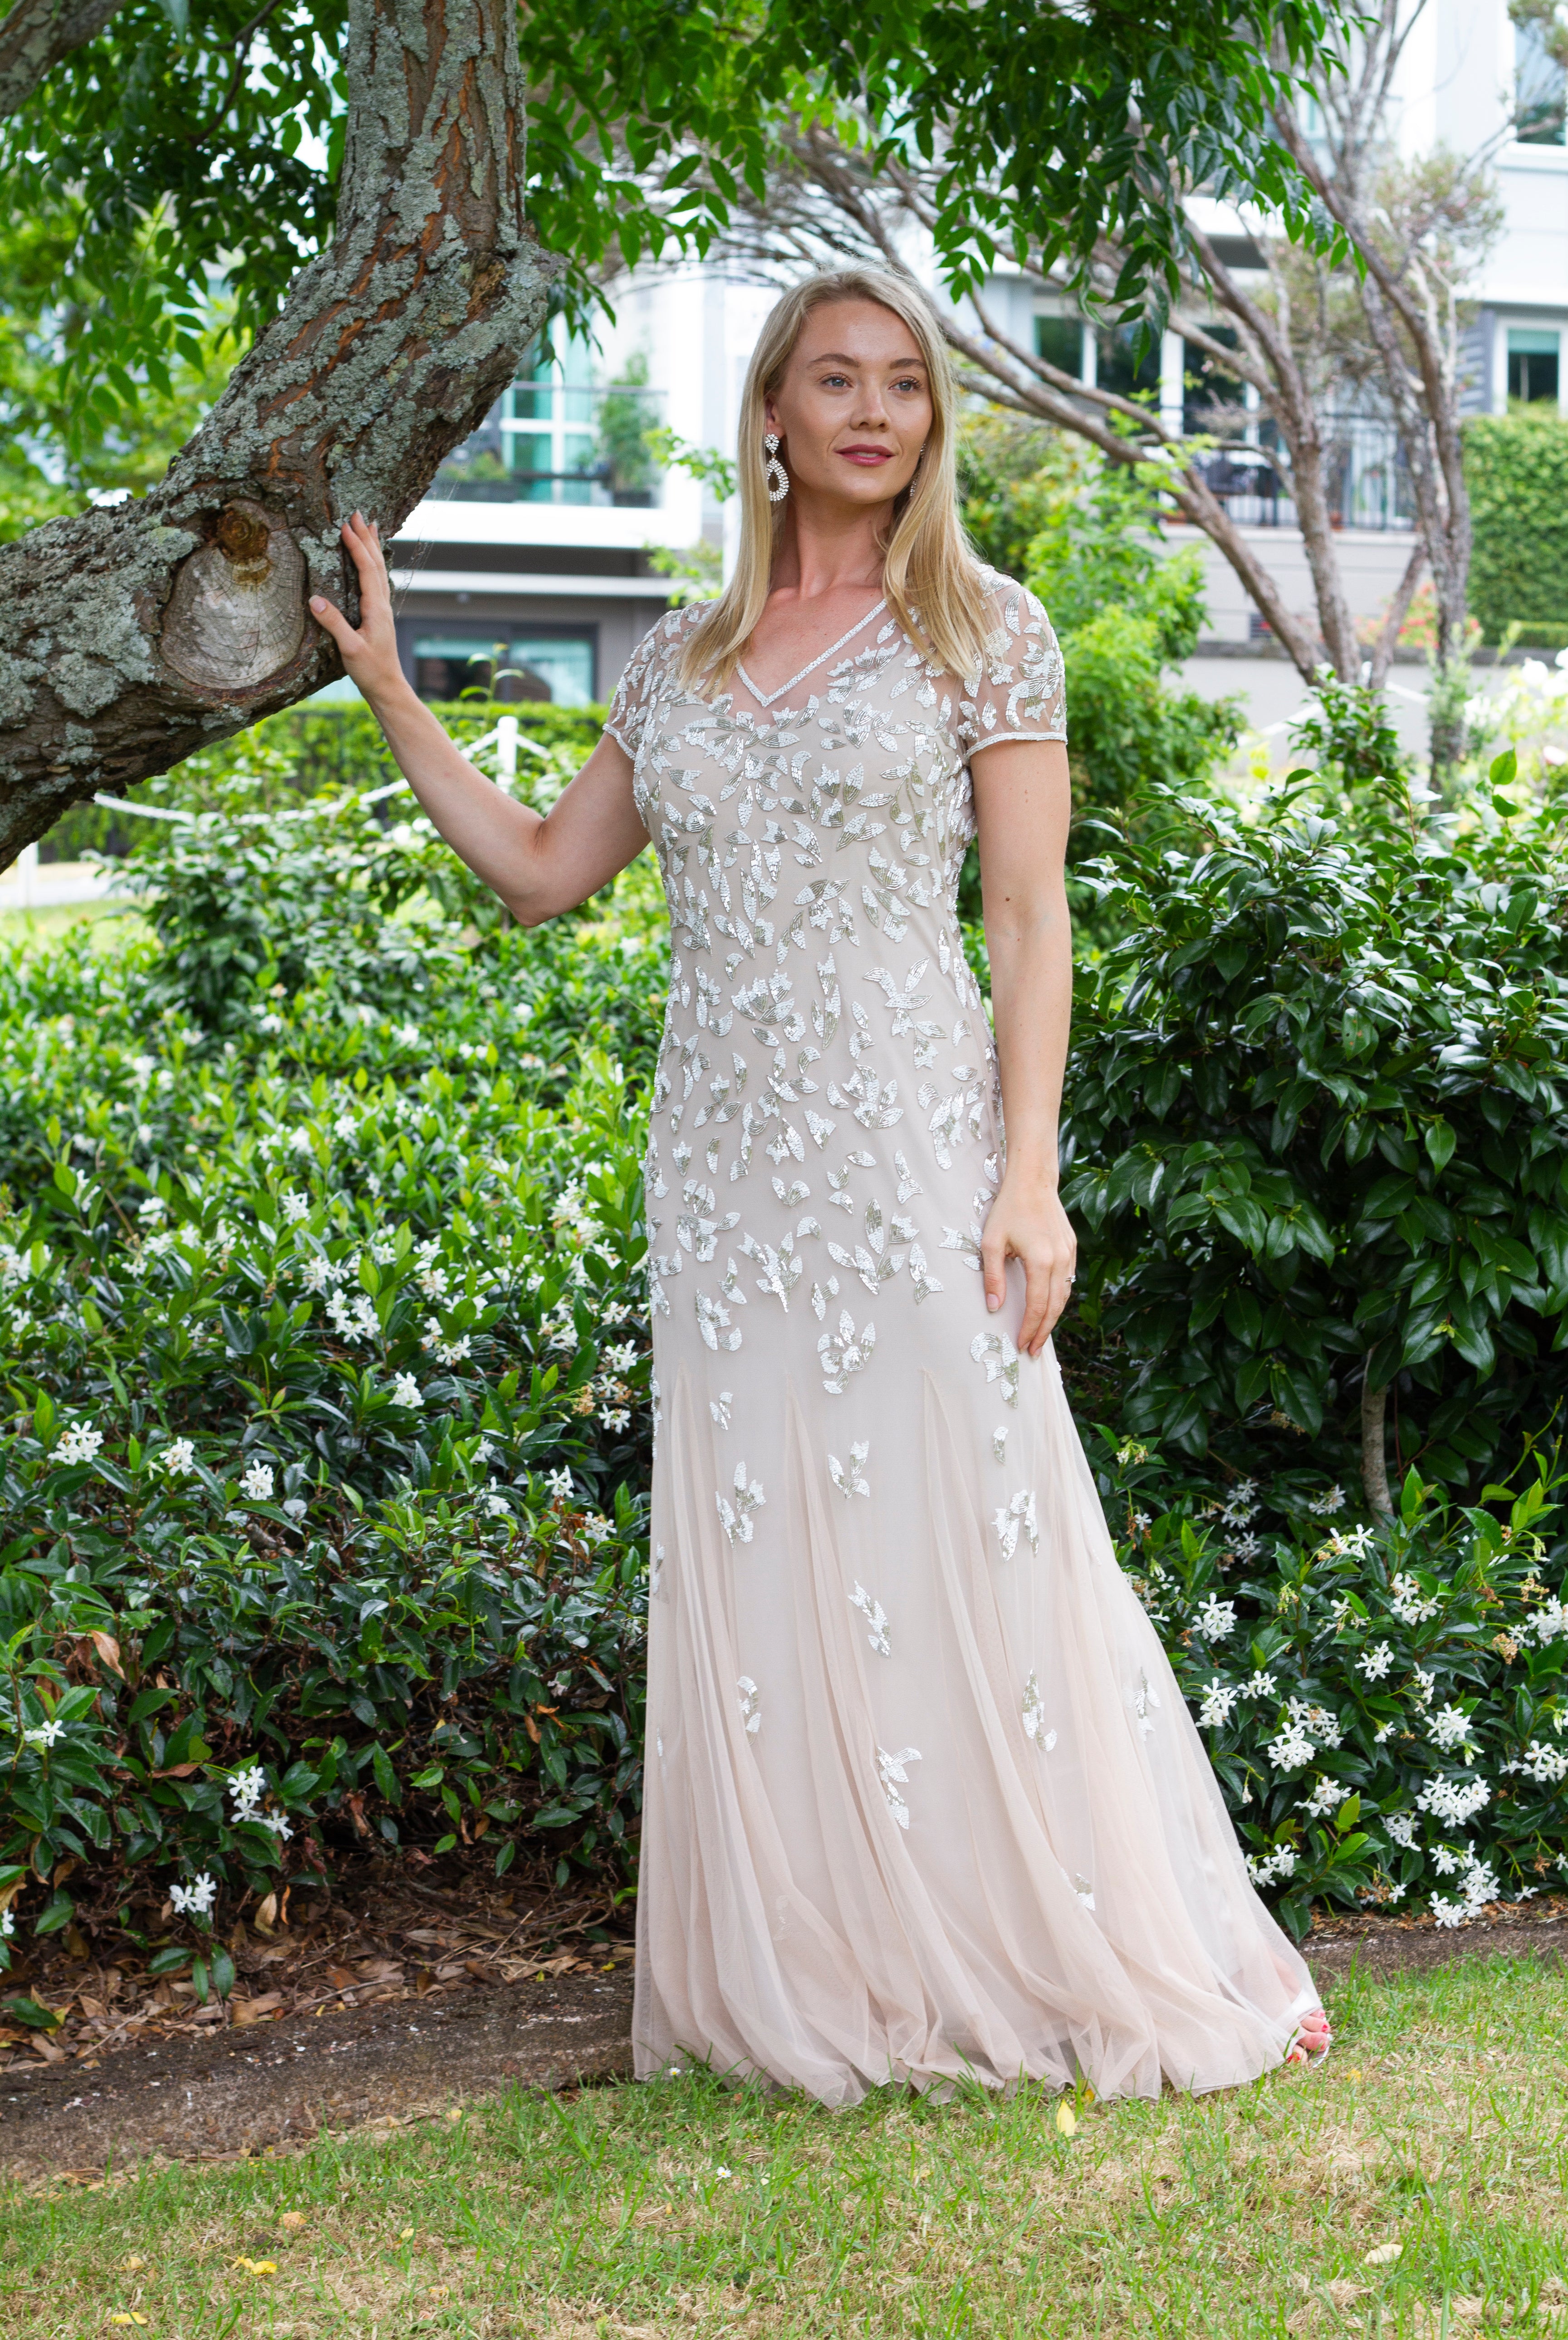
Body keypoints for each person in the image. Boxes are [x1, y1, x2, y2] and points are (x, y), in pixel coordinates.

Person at [311, 264, 1332, 2104]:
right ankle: (833, 1963)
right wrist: (392, 691)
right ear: (772, 412)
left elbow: (1029, 914)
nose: (874, 412)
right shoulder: (678, 665)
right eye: (837, 380)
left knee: (980, 1522)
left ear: (932, 423)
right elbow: (541, 874)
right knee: (774, 1548)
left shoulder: (986, 632)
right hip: (723, 1183)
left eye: (906, 385)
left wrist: (1031, 1175)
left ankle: (1091, 1943)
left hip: (917, 1155)